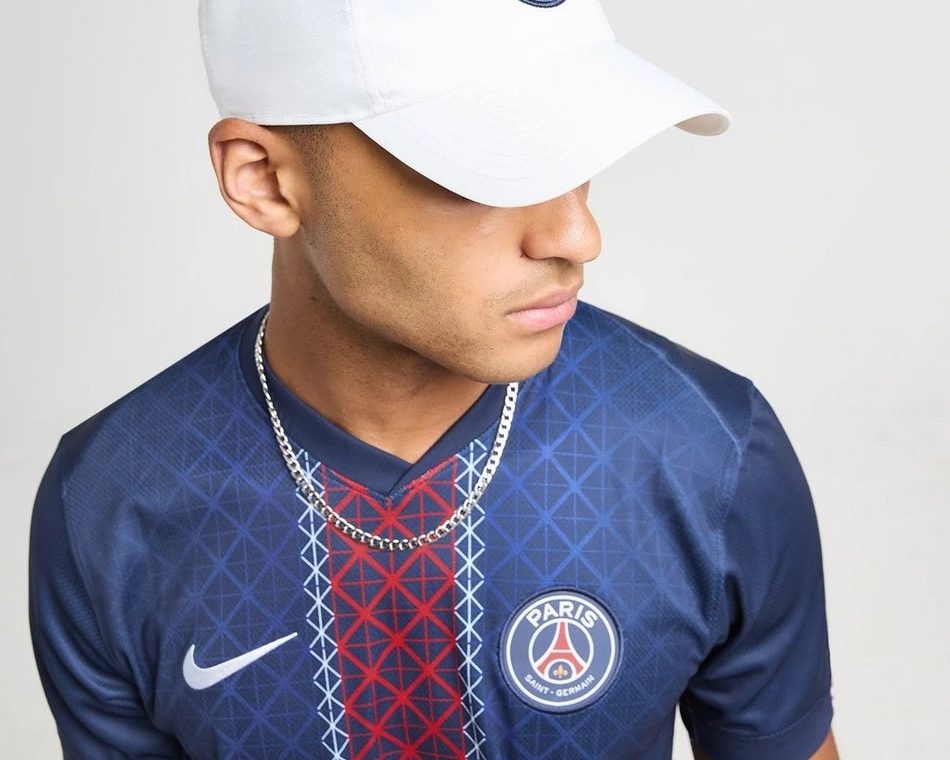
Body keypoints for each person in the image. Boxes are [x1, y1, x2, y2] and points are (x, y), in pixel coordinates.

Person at [28, 1, 838, 758]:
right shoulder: (110, 502)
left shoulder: (709, 449)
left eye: (579, 157)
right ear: (265, 179)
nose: (577, 234)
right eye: (490, 168)